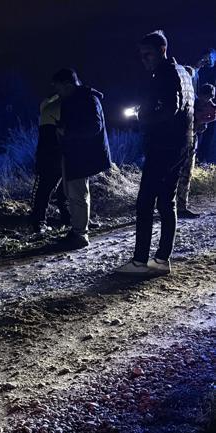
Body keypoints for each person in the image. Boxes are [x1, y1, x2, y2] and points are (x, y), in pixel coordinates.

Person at [116, 30, 195, 276]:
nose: (144, 60)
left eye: (148, 54)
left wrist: (143, 117)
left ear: (162, 51)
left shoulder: (165, 73)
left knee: (145, 202)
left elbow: (170, 108)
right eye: (141, 55)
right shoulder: (183, 73)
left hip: (163, 146)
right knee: (167, 201)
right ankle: (161, 259)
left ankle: (140, 261)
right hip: (181, 144)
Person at [51, 68, 111, 248]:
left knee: (78, 194)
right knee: (74, 193)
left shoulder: (87, 99)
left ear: (68, 85)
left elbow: (94, 127)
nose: (57, 92)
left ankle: (80, 235)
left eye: (59, 88)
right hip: (75, 153)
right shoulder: (75, 99)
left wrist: (67, 131)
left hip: (83, 155)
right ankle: (78, 229)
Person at [30, 94, 70, 233]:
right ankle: (41, 221)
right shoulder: (64, 104)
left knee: (48, 188)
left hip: (48, 152)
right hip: (54, 151)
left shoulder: (48, 104)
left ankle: (41, 221)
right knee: (51, 188)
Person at [178, 83, 216, 218]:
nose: (207, 100)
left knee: (185, 173)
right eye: (206, 97)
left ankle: (179, 205)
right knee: (181, 172)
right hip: (183, 139)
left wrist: (202, 122)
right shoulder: (191, 102)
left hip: (190, 138)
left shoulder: (204, 105)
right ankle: (176, 206)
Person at [195, 48, 216, 162]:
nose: (207, 60)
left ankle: (203, 159)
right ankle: (196, 157)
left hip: (210, 104)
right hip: (200, 102)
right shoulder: (201, 69)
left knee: (209, 134)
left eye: (209, 58)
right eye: (205, 58)